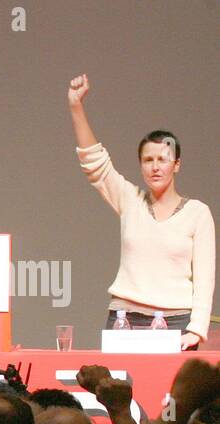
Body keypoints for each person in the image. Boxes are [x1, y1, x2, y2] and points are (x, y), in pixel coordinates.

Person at [68, 74, 215, 349]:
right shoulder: (130, 200)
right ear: (140, 165)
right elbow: (94, 162)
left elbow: (205, 278)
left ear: (177, 164)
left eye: (163, 159)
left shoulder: (197, 213)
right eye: (148, 160)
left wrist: (197, 329)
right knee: (117, 392)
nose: (155, 167)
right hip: (124, 319)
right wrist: (76, 106)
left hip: (176, 323)